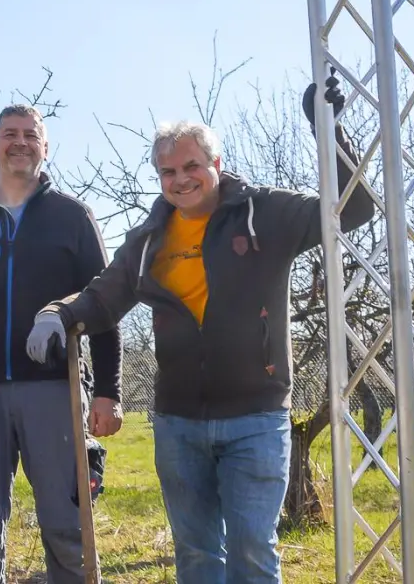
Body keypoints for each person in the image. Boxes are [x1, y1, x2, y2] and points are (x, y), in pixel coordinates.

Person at [26, 76, 375, 584]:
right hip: (178, 422)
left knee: (253, 550)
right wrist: (57, 312)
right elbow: (104, 296)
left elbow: (354, 210)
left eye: (191, 166)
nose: (180, 179)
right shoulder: (149, 238)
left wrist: (330, 133)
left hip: (255, 415)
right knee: (195, 555)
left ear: (215, 164)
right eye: (168, 171)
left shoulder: (263, 212)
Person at [0, 104, 123, 584]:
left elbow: (103, 303)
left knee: (65, 523)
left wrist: (108, 390)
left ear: (46, 146)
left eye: (31, 135)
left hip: (54, 391)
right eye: (9, 134)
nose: (20, 142)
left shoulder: (73, 217)